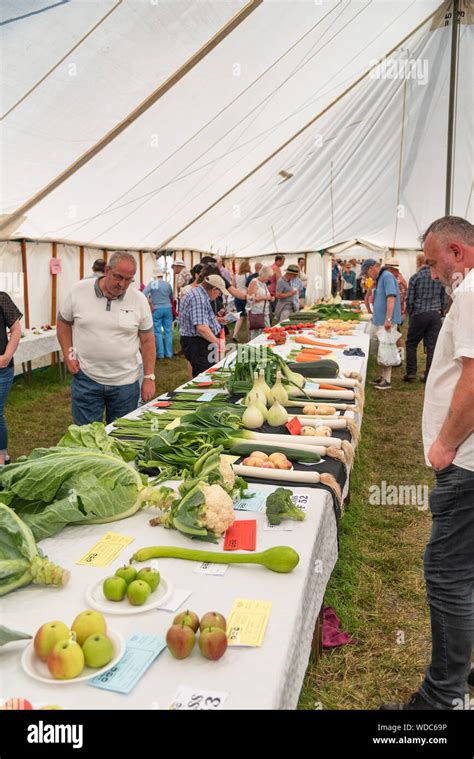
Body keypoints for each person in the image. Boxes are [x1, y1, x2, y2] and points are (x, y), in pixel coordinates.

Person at [382, 216, 474, 710]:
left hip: (467, 463)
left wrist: (445, 444)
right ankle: (460, 672)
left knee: (447, 572)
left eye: (436, 263)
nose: (432, 274)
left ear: (457, 252)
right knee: (466, 569)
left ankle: (442, 699)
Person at [57, 251, 156, 425]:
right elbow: (63, 323)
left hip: (126, 381)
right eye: (118, 277)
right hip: (86, 378)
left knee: (121, 437)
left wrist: (149, 377)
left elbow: (148, 340)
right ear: (107, 270)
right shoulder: (79, 291)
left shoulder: (139, 300)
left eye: (128, 279)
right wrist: (69, 354)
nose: (122, 284)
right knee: (86, 437)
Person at [404, 254, 449, 382]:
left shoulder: (415, 277)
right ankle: (429, 374)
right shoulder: (438, 277)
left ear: (418, 262)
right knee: (432, 346)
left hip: (419, 313)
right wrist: (441, 310)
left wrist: (411, 313)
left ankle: (411, 372)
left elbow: (410, 299)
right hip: (435, 314)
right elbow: (444, 296)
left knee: (411, 343)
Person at [362, 257, 402, 390]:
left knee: (387, 348)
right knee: (381, 348)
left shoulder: (387, 277)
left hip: (386, 322)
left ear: (372, 268)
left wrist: (388, 319)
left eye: (367, 273)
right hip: (379, 320)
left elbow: (391, 297)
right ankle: (383, 376)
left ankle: (387, 379)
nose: (368, 276)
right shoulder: (381, 278)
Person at [178, 274, 229, 377]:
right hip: (196, 342)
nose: (219, 295)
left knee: (207, 372)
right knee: (204, 375)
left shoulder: (200, 295)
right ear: (214, 289)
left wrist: (216, 320)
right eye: (219, 292)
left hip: (199, 341)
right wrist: (216, 342)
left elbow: (200, 318)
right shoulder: (198, 298)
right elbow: (201, 327)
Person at [0, 293, 22, 465]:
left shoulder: (1, 298)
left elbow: (16, 329)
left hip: (1, 369)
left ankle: (1, 460)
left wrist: (7, 356)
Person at [143, 266, 173, 360]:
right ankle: (169, 354)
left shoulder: (152, 284)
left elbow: (143, 293)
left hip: (157, 309)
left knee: (157, 331)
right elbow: (171, 296)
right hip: (168, 308)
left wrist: (150, 301)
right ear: (161, 275)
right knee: (168, 331)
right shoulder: (167, 284)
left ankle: (160, 354)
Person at [247, 265, 273, 339]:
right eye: (268, 276)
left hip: (265, 313)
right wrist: (265, 297)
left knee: (267, 334)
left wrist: (270, 298)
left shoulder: (264, 283)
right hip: (257, 314)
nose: (269, 279)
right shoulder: (254, 282)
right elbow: (250, 299)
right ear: (264, 275)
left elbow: (264, 296)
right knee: (257, 335)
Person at [232, 260, 251, 343]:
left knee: (240, 317)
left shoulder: (235, 275)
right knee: (248, 317)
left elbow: (233, 287)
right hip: (246, 297)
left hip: (237, 297)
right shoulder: (249, 275)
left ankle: (235, 334)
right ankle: (249, 336)